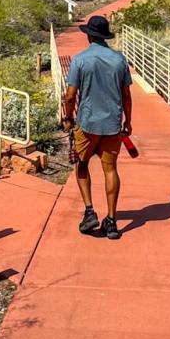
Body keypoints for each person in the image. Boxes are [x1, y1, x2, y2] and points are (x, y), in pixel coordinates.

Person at [62, 13, 132, 240]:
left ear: (89, 36)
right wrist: (128, 121)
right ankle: (111, 221)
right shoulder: (119, 59)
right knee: (110, 169)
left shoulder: (80, 60)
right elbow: (126, 95)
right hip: (112, 124)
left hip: (88, 123)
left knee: (82, 164)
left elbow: (70, 95)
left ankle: (90, 210)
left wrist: (68, 118)